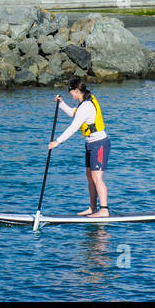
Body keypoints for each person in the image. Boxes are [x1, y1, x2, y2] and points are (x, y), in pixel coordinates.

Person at [48, 77, 109, 216]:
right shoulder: (84, 103)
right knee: (90, 176)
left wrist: (58, 141)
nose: (69, 93)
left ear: (76, 90)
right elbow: (72, 114)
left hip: (99, 144)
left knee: (97, 177)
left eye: (70, 90)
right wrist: (61, 104)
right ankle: (92, 208)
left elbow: (73, 127)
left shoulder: (86, 106)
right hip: (90, 144)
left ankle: (104, 210)